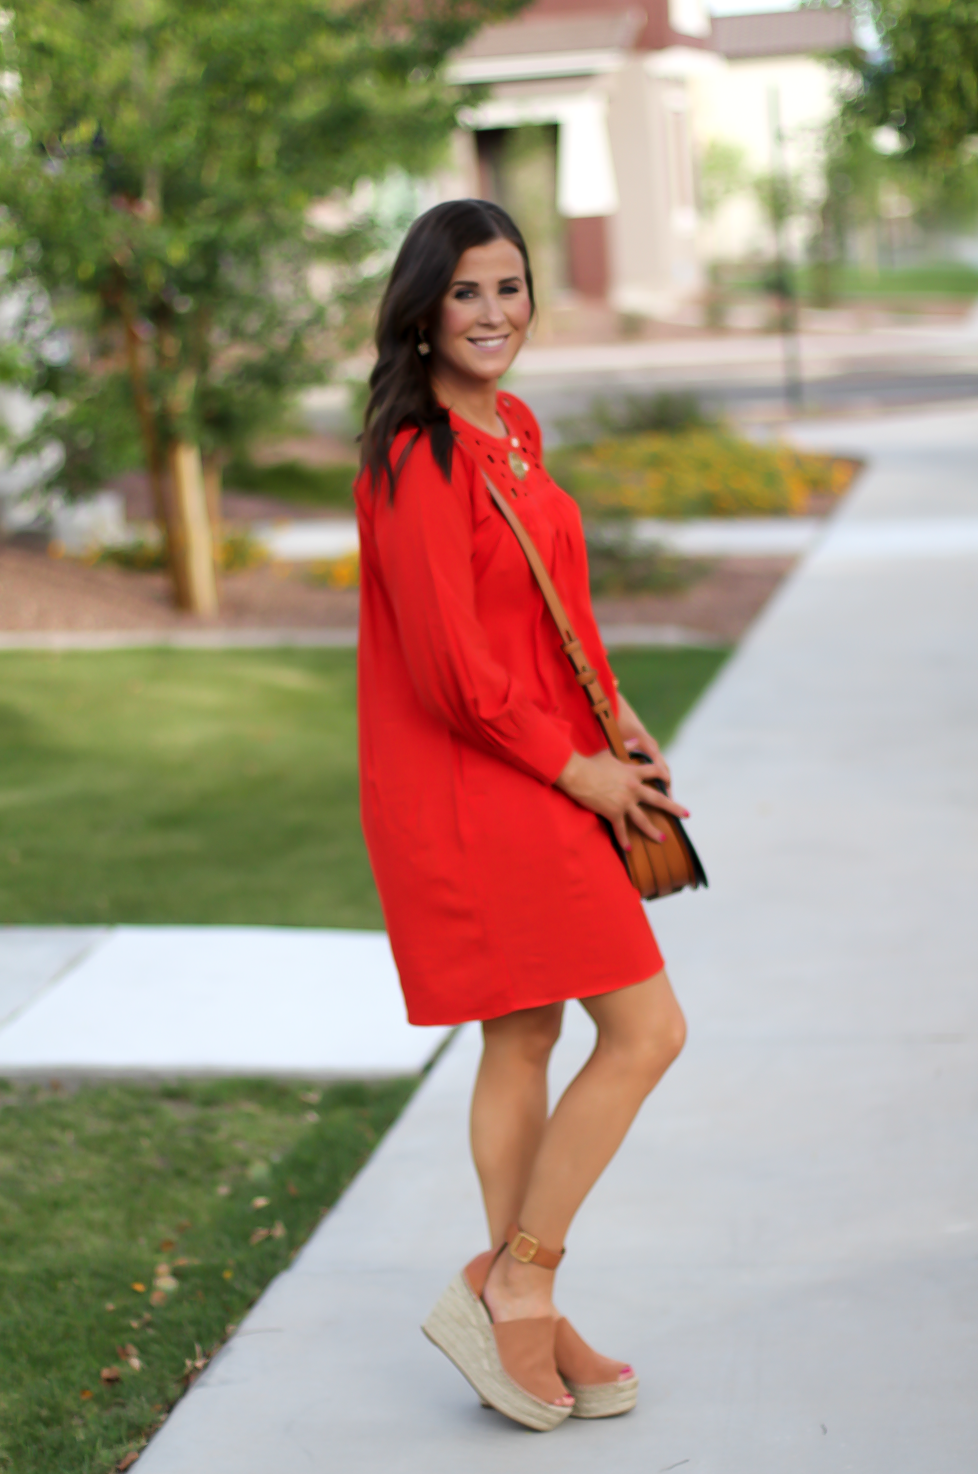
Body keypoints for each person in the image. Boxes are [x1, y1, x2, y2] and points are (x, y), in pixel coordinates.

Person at [355, 199, 689, 1432]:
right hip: (477, 787)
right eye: (467, 294)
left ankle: (519, 1306)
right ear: (423, 313)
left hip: (542, 761)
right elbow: (451, 670)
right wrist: (579, 771)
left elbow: (549, 606)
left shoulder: (512, 431)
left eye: (510, 288)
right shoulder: (416, 458)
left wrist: (620, 720)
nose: (494, 314)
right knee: (646, 1029)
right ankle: (525, 1273)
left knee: (525, 1039)